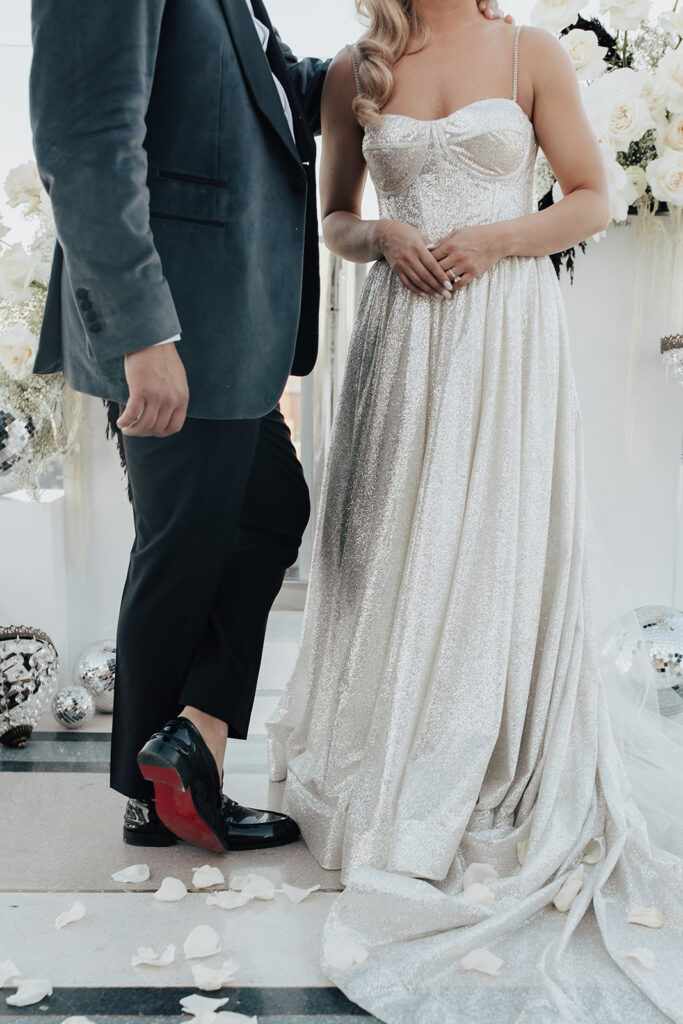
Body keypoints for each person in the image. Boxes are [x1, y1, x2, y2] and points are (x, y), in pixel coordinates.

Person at [266, 3, 683, 1021]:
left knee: (495, 543)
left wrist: (497, 237)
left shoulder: (527, 51)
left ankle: (482, 756)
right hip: (402, 338)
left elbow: (589, 198)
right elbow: (333, 220)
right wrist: (379, 234)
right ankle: (389, 763)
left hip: (504, 333)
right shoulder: (353, 69)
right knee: (395, 548)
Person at [28, 0, 508, 855]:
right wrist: (142, 335)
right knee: (182, 546)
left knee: (266, 510)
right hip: (173, 318)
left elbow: (280, 90)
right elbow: (83, 144)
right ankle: (153, 796)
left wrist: (417, 37)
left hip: (223, 323)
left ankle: (189, 742)